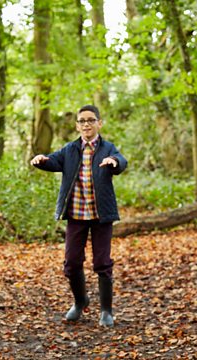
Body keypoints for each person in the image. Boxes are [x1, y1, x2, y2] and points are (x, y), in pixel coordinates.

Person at [30, 105, 127, 327]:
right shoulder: (70, 149)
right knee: (72, 263)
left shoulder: (107, 148)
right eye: (82, 121)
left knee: (102, 262)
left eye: (91, 120)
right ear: (77, 125)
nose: (86, 124)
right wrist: (41, 160)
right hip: (76, 214)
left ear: (99, 123)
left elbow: (121, 161)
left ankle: (106, 311)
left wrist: (114, 163)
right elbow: (53, 161)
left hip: (101, 215)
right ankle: (80, 301)